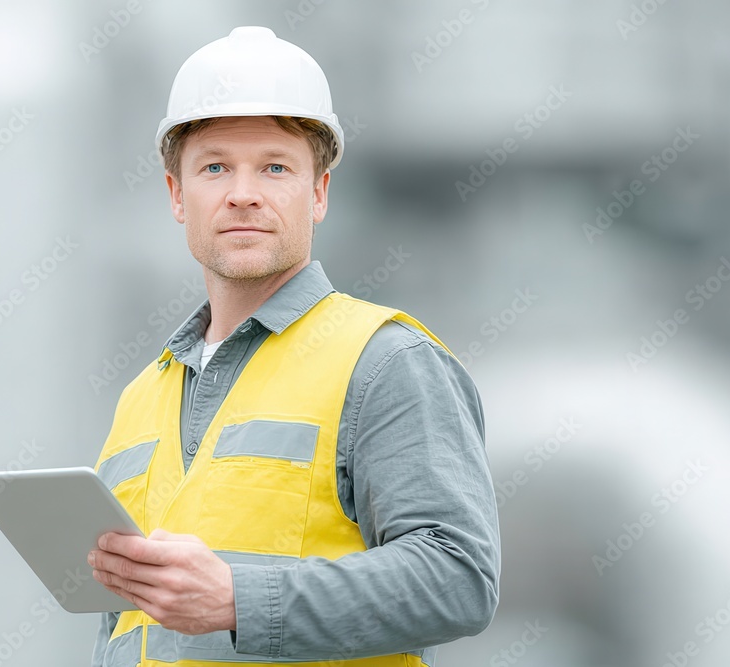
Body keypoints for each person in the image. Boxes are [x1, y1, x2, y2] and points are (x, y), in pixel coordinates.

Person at [88, 26, 500, 667]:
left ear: (318, 194)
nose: (243, 192)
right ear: (177, 195)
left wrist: (238, 601)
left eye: (275, 167)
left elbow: (458, 578)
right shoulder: (142, 397)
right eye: (214, 167)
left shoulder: (385, 362)